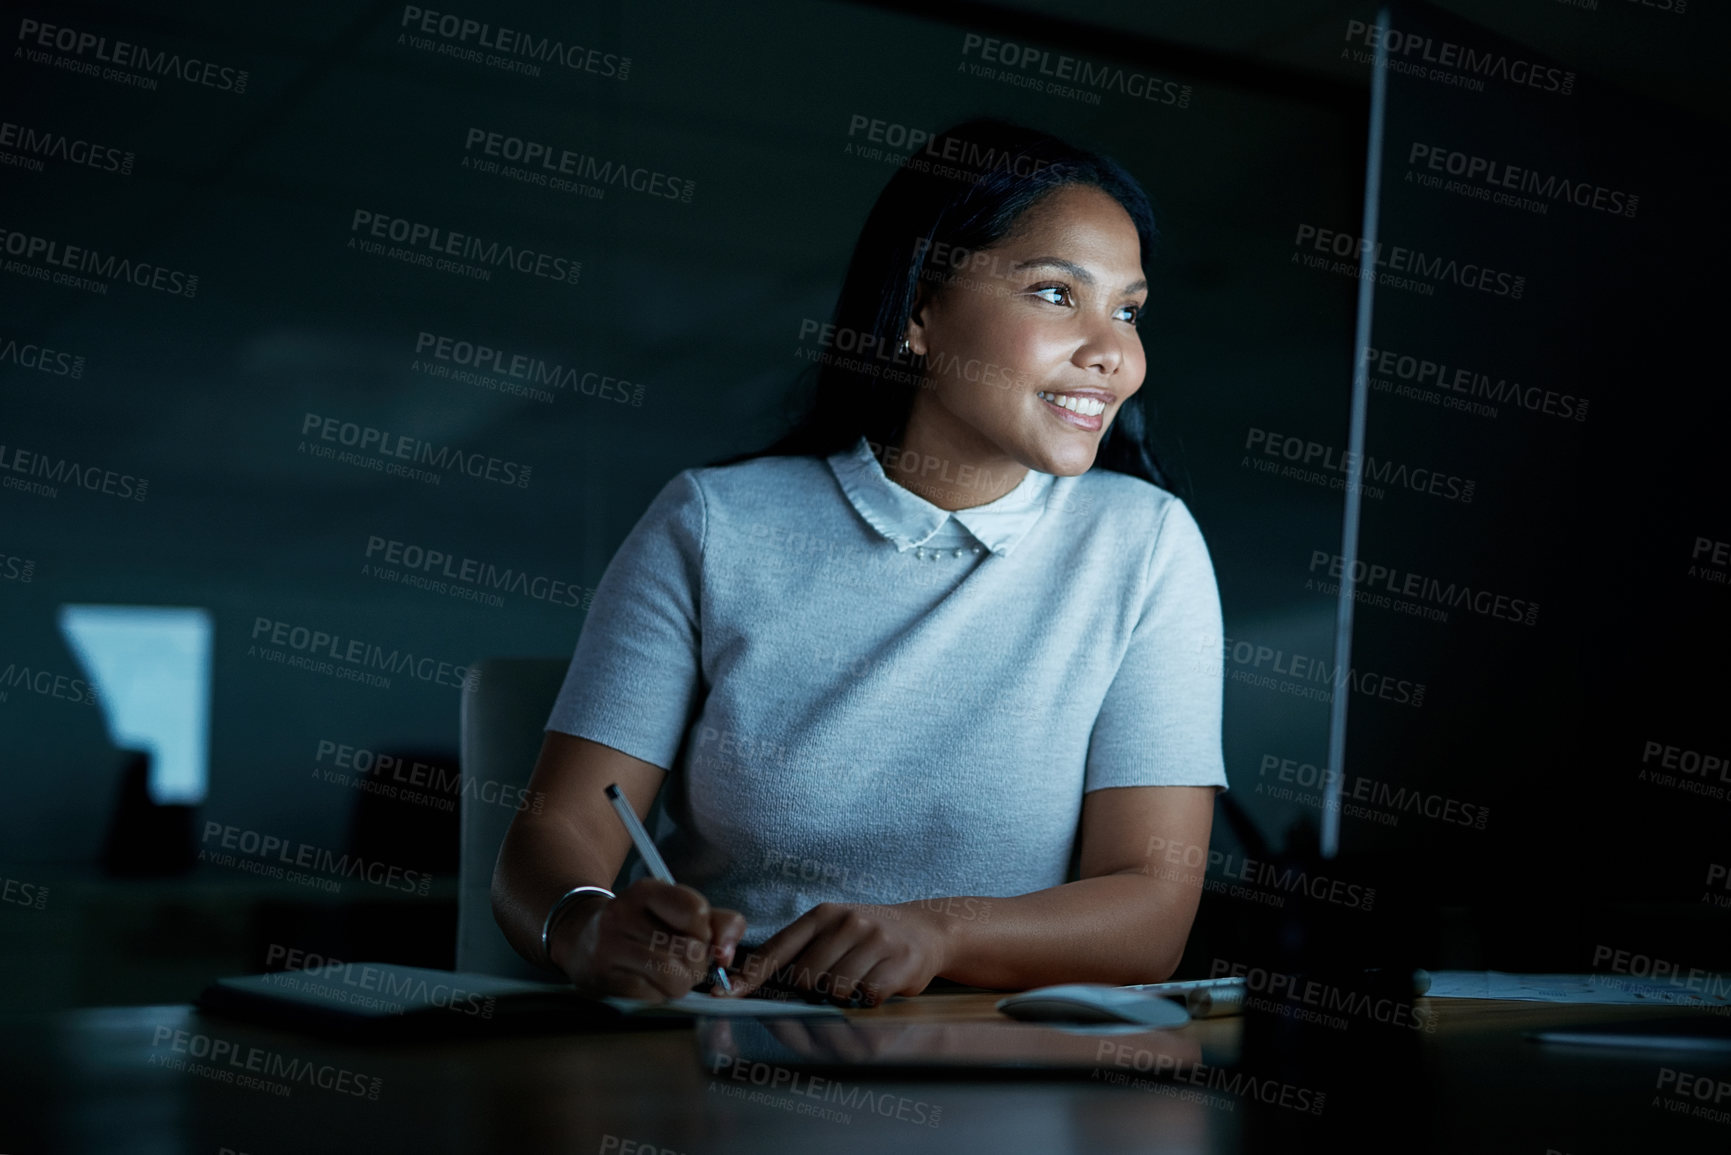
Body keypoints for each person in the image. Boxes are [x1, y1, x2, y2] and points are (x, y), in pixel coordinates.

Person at [492, 118, 1227, 1006]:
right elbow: (551, 840)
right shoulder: (714, 522)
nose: (1114, 352)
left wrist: (938, 928)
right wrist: (585, 926)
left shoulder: (1145, 542)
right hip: (733, 1044)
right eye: (1053, 294)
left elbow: (1151, 911)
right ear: (920, 310)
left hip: (993, 1068)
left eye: (1128, 309)